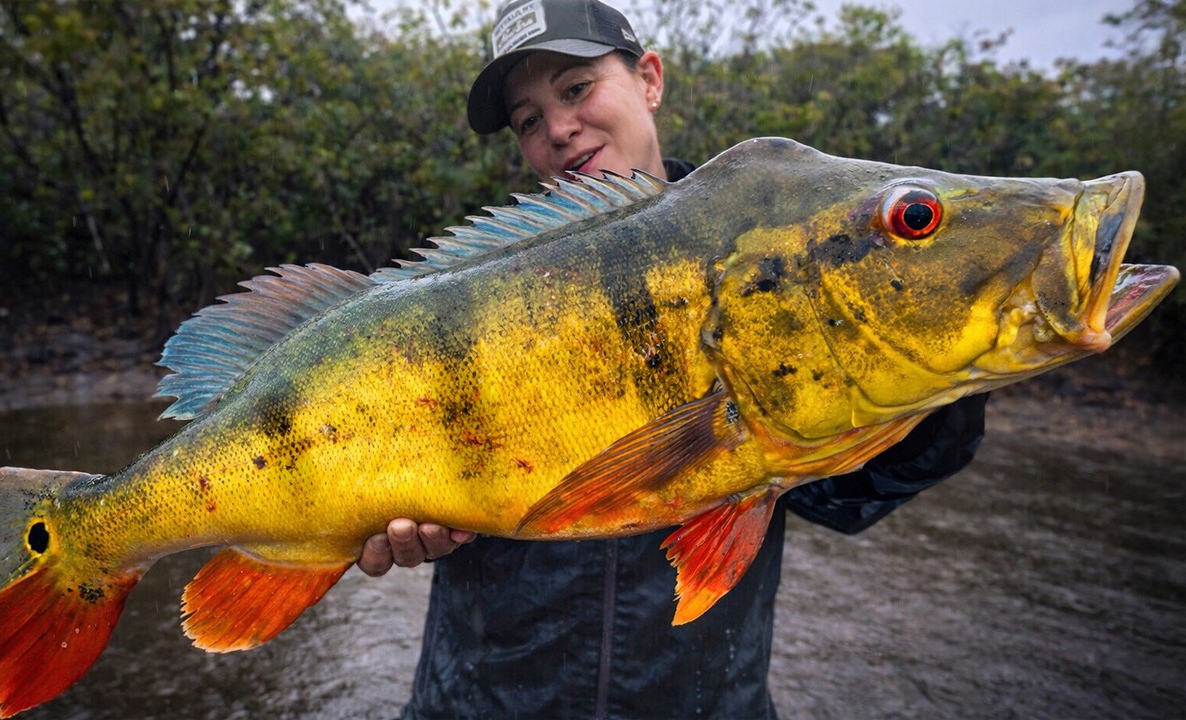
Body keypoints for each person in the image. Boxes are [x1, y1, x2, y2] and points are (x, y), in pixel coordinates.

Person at [356, 1, 990, 717]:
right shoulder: (470, 294)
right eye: (528, 120)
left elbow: (848, 496)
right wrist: (395, 525)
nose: (558, 129)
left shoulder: (762, 252)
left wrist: (950, 359)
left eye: (576, 88)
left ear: (649, 79)